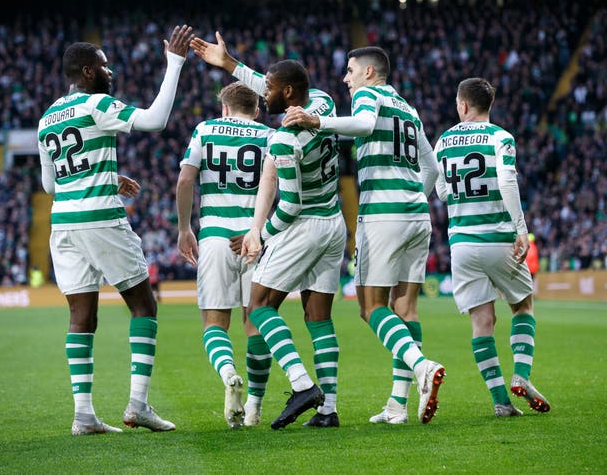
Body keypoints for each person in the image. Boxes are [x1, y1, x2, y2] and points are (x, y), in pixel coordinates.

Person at [37, 25, 194, 435]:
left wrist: (106, 175)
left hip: (63, 223)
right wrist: (174, 63)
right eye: (105, 67)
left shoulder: (47, 117)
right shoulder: (96, 104)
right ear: (88, 72)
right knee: (144, 306)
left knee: (80, 316)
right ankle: (138, 405)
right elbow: (156, 120)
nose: (112, 72)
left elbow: (50, 186)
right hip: (101, 219)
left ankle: (83, 415)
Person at [282, 46, 445, 425]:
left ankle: (422, 366)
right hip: (417, 214)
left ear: (370, 72)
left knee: (371, 307)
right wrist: (412, 196)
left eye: (351, 70)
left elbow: (364, 124)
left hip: (383, 216)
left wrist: (317, 122)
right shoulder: (409, 107)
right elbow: (432, 168)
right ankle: (397, 405)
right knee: (406, 309)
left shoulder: (368, 94)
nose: (346, 78)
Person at [191, 32, 343, 428]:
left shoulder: (285, 141)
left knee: (259, 307)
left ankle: (302, 384)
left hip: (302, 226)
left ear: (287, 92)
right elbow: (269, 85)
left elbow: (289, 204)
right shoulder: (322, 102)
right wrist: (228, 64)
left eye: (270, 90)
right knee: (318, 316)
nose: (263, 94)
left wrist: (261, 233)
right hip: (335, 221)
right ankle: (328, 411)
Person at [433, 77, 551, 417]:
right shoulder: (501, 137)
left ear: (463, 105)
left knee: (481, 322)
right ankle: (522, 375)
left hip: (461, 244)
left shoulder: (443, 141)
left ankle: (501, 401)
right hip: (497, 237)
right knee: (523, 306)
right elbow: (506, 179)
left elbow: (441, 193)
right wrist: (521, 229)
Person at [176, 81, 275, 428]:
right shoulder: (268, 136)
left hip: (216, 237)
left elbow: (186, 180)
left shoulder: (204, 130)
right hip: (254, 239)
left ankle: (228, 372)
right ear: (257, 110)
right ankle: (254, 408)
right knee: (256, 323)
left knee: (214, 323)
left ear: (225, 108)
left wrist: (184, 227)